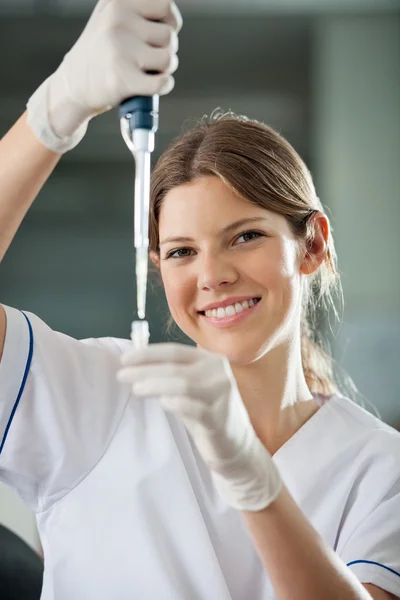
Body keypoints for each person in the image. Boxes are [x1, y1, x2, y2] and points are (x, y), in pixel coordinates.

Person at [0, 0, 399, 598]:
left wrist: (252, 477)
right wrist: (56, 111)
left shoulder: (380, 467)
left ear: (311, 245)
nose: (212, 276)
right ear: (159, 270)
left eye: (244, 237)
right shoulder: (100, 393)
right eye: (182, 252)